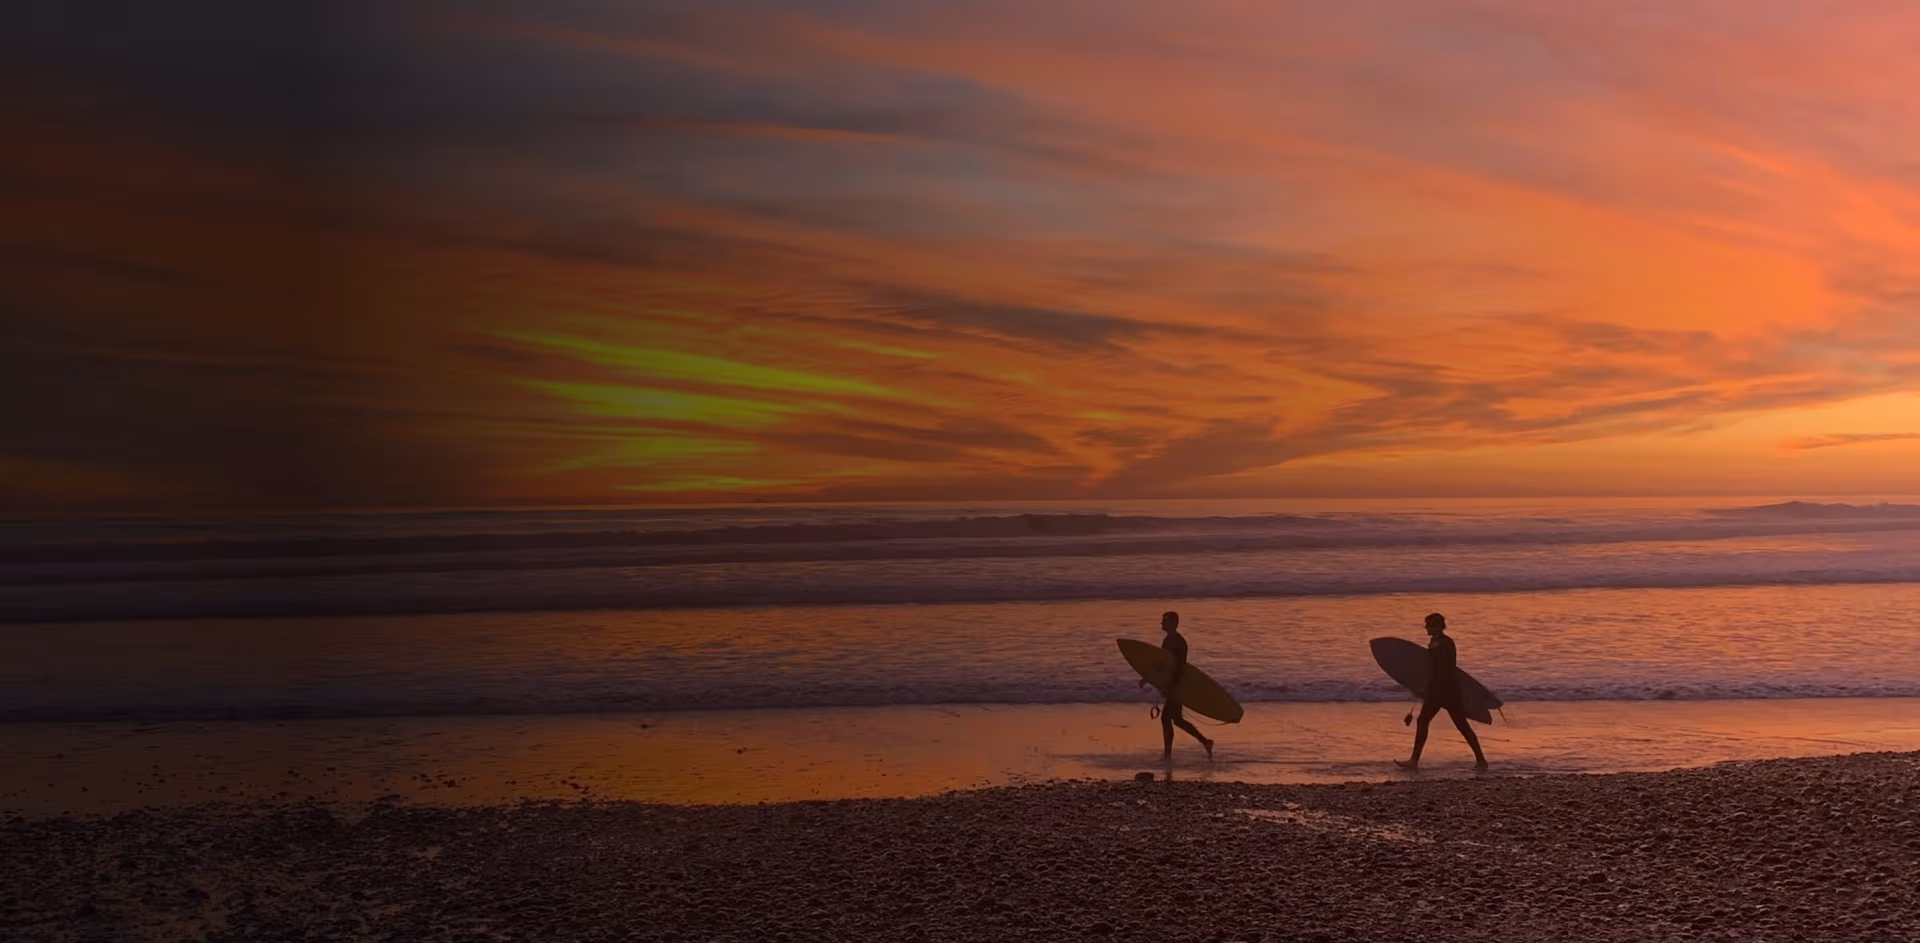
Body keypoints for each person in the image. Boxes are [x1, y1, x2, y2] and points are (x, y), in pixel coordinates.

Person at [1395, 612, 1488, 771]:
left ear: (1437, 626)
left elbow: (1441, 671)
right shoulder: (1443, 641)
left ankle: (1414, 761)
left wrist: (1425, 689)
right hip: (1450, 689)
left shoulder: (1439, 645)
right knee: (1459, 724)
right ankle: (1481, 760)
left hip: (1441, 690)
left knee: (1426, 721)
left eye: (1428, 624)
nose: (1426, 627)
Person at [1140, 610, 1214, 759]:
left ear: (1173, 624)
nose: (1162, 623)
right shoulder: (1167, 640)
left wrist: (1171, 687)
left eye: (1165, 621)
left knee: (1167, 718)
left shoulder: (1180, 643)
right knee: (1177, 719)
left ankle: (1168, 754)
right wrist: (1149, 678)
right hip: (1173, 684)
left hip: (1178, 684)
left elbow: (1180, 667)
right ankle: (1205, 742)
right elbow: (1164, 664)